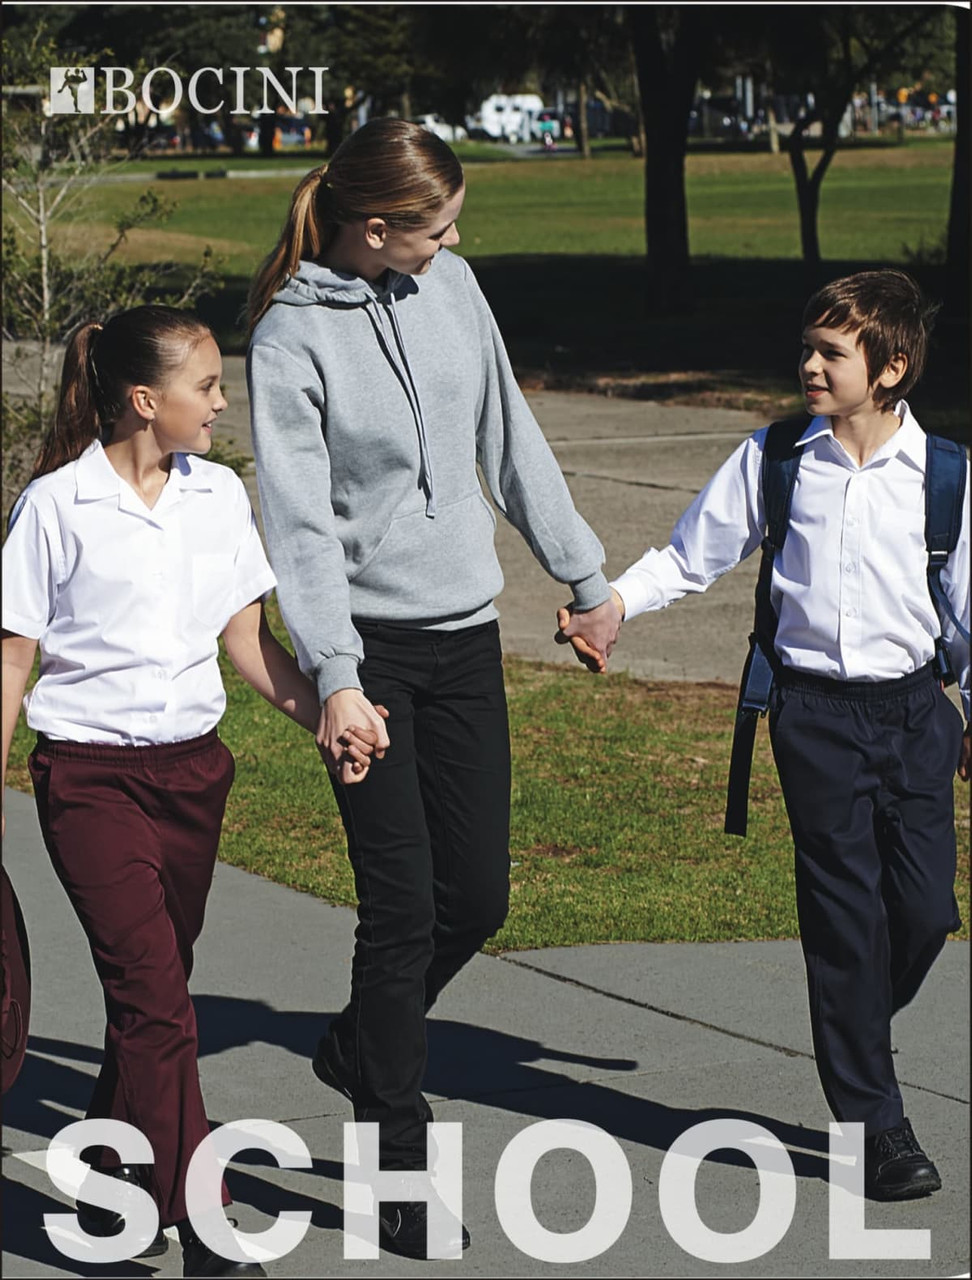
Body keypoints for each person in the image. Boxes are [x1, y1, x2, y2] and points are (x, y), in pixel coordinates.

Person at [246, 117, 619, 1257]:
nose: (457, 238)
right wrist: (337, 679)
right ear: (375, 226)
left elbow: (509, 433)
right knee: (402, 908)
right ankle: (394, 1155)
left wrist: (586, 571)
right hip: (370, 657)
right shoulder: (287, 340)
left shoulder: (451, 287)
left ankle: (363, 1042)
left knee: (479, 899)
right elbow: (301, 528)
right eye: (439, 222)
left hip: (464, 641)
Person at [560, 268, 970, 1201]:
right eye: (809, 349)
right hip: (814, 717)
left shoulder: (946, 477)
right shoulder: (778, 458)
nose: (810, 367)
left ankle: (854, 1020)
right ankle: (877, 1123)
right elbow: (689, 555)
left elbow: (969, 611)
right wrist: (613, 604)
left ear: (892, 366)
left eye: (833, 353)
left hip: (913, 715)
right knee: (842, 918)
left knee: (924, 913)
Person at [1, 306, 381, 1277]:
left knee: (151, 1000)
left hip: (192, 775)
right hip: (88, 779)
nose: (221, 404)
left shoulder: (215, 497)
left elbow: (245, 639)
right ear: (144, 399)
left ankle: (111, 1158)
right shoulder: (54, 506)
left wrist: (328, 714)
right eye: (207, 387)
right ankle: (205, 1223)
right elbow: (12, 660)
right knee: (159, 1003)